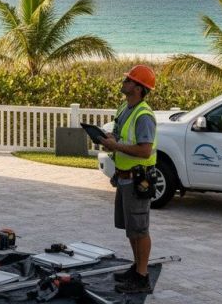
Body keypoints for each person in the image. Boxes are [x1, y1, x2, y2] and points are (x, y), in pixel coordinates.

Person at [100, 64, 158, 295]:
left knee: (140, 229)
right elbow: (122, 136)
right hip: (125, 178)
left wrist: (116, 145)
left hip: (138, 180)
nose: (124, 82)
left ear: (138, 87)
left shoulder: (144, 115)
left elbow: (145, 151)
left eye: (128, 80)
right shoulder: (125, 108)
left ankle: (142, 277)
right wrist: (111, 140)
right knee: (131, 229)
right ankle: (136, 269)